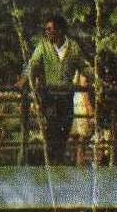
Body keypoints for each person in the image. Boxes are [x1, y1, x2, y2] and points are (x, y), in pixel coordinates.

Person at [20, 12, 87, 165]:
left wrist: (97, 80)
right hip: (50, 97)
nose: (47, 32)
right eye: (46, 29)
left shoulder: (73, 47)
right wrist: (23, 80)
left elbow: (84, 67)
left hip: (66, 97)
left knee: (64, 133)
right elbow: (33, 64)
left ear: (60, 31)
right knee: (51, 132)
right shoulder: (43, 46)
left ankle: (59, 165)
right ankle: (51, 164)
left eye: (50, 29)